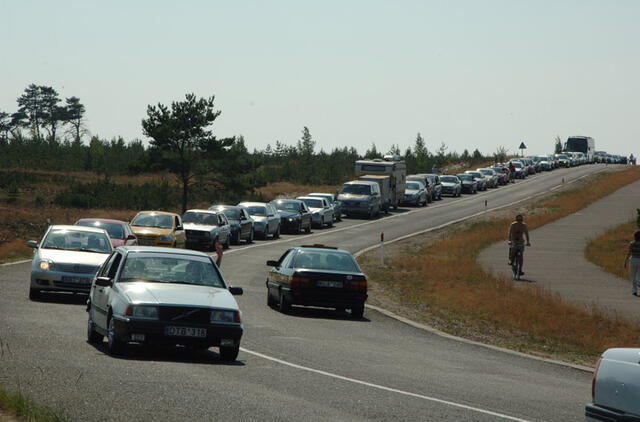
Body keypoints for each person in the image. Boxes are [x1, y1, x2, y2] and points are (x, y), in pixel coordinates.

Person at [623, 230, 640, 296]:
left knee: (633, 276)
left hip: (633, 260)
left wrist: (625, 261)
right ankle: (639, 282)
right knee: (639, 274)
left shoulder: (632, 244)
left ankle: (634, 291)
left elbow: (629, 253)